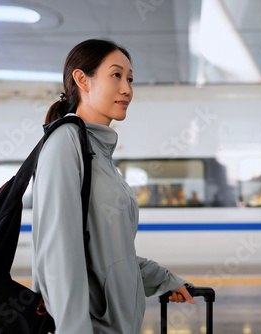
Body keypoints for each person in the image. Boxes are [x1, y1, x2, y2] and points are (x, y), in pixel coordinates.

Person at [32, 39, 194, 334]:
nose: (127, 89)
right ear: (82, 79)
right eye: (116, 75)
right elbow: (59, 256)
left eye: (130, 79)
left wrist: (163, 279)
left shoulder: (99, 153)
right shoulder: (66, 145)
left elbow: (111, 256)